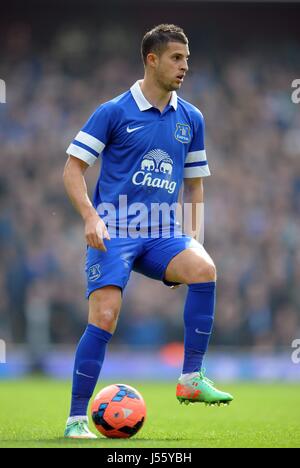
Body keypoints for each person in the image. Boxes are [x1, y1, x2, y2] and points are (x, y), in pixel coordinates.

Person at [63, 24, 233, 439]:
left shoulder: (191, 118)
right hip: (115, 230)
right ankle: (75, 420)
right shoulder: (114, 111)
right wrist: (89, 216)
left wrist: (193, 238)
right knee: (105, 315)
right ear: (152, 60)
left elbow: (194, 184)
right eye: (177, 58)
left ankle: (191, 378)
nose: (184, 67)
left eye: (187, 59)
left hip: (162, 233)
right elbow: (72, 169)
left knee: (204, 268)